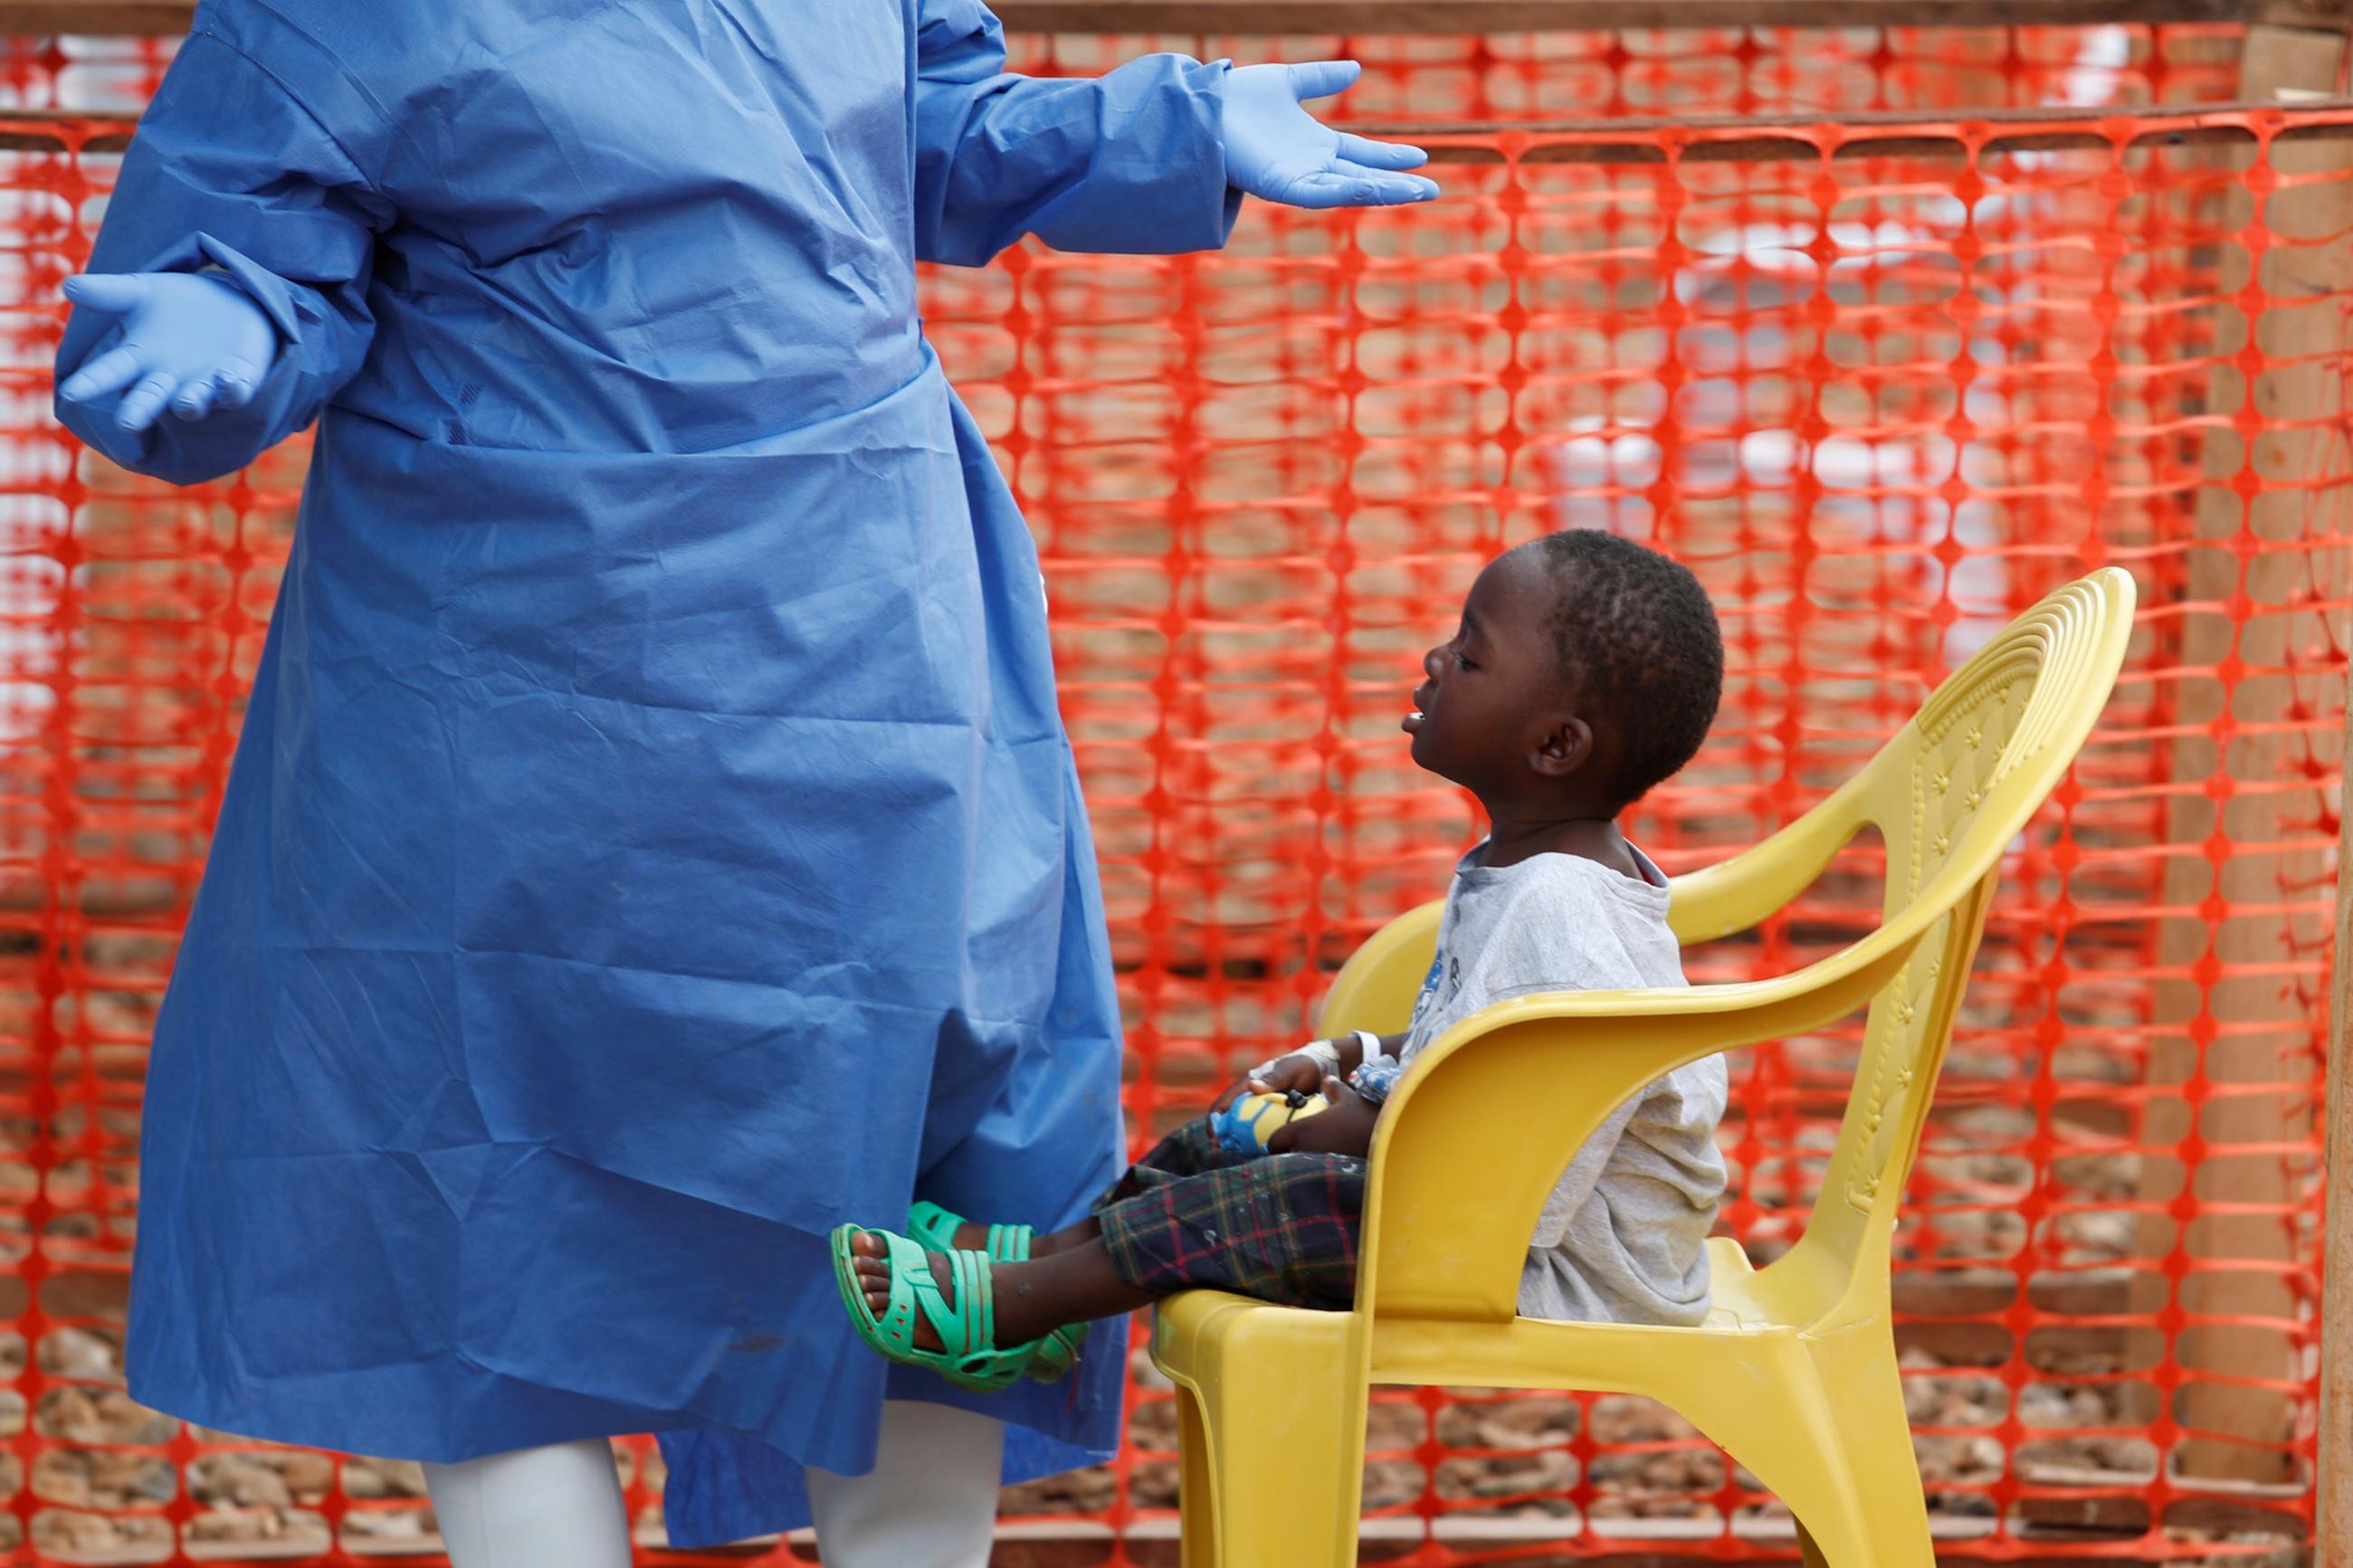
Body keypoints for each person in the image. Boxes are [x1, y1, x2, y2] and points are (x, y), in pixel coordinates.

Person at [50, 5, 1440, 1564]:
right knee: (480, 1180)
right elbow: (250, 224)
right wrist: (215, 321)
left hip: (853, 642)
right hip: (504, 682)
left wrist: (1159, 128)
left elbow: (932, 133)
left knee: (931, 1150)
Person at [837, 529, 1731, 1375]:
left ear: (1552, 744)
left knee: (1288, 1198)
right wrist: (1353, 1059)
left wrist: (1371, 1130)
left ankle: (1017, 1304)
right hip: (1484, 1221)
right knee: (1223, 1142)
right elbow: (1481, 1054)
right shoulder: (1528, 873)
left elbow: (1529, 1175)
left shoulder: (1559, 914)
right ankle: (1050, 1261)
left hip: (1559, 1280)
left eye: (1467, 657)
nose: (1433, 661)